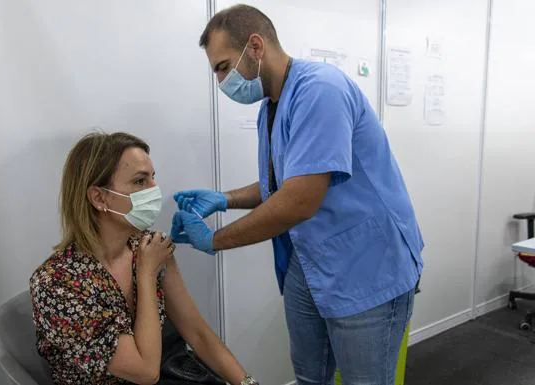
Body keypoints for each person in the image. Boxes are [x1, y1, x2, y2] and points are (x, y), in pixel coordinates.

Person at [171, 4, 424, 385]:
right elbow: (284, 183)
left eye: (223, 67)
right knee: (310, 377)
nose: (221, 81)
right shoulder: (271, 107)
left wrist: (215, 240)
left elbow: (300, 199)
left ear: (255, 47)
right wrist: (224, 198)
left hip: (367, 268)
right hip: (311, 266)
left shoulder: (320, 90)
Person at [30, 132, 259, 385]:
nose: (154, 191)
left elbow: (197, 332)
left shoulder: (147, 246)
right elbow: (145, 372)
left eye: (153, 178)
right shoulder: (57, 284)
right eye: (140, 182)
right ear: (99, 197)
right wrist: (147, 274)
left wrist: (248, 383)